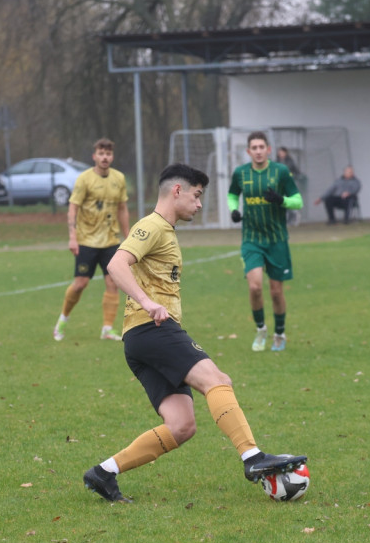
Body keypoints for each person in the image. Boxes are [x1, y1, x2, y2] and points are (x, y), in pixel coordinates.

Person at [81, 163, 307, 503]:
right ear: (177, 191)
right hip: (153, 328)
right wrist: (147, 301)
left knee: (182, 426)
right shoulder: (152, 226)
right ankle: (252, 457)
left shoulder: (165, 230)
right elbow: (116, 264)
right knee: (217, 379)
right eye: (197, 196)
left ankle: (104, 472)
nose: (199, 205)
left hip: (139, 339)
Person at [227, 131, 303, 353]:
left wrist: (282, 200)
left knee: (277, 291)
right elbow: (233, 195)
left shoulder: (280, 172)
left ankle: (279, 333)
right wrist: (233, 210)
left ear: (268, 150)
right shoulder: (240, 173)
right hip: (252, 239)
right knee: (255, 286)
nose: (258, 151)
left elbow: (298, 201)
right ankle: (261, 329)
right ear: (248, 151)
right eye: (254, 147)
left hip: (277, 240)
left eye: (262, 147)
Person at [53, 138, 130, 342]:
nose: (105, 157)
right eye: (101, 153)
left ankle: (107, 329)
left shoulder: (119, 178)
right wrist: (72, 237)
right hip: (87, 240)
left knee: (113, 282)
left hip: (111, 241)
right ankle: (62, 319)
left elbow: (122, 208)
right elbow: (73, 207)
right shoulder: (84, 179)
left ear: (112, 157)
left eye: (108, 154)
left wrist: (128, 237)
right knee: (80, 284)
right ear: (94, 156)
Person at [276, 146, 302, 228]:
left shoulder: (290, 161)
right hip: (280, 185)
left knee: (291, 203)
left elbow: (297, 172)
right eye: (279, 152)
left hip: (289, 185)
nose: (280, 154)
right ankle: (284, 221)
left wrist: (292, 177)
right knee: (282, 203)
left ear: (286, 153)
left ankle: (294, 219)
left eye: (282, 152)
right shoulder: (276, 162)